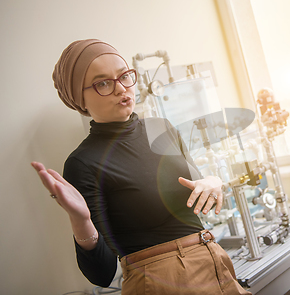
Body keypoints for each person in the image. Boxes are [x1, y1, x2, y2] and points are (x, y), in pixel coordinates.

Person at [31, 39, 251, 295]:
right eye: (103, 83)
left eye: (124, 76)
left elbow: (202, 202)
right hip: (161, 282)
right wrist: (80, 220)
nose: (121, 88)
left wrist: (213, 182)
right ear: (79, 99)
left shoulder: (163, 128)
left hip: (215, 263)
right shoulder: (83, 162)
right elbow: (101, 274)